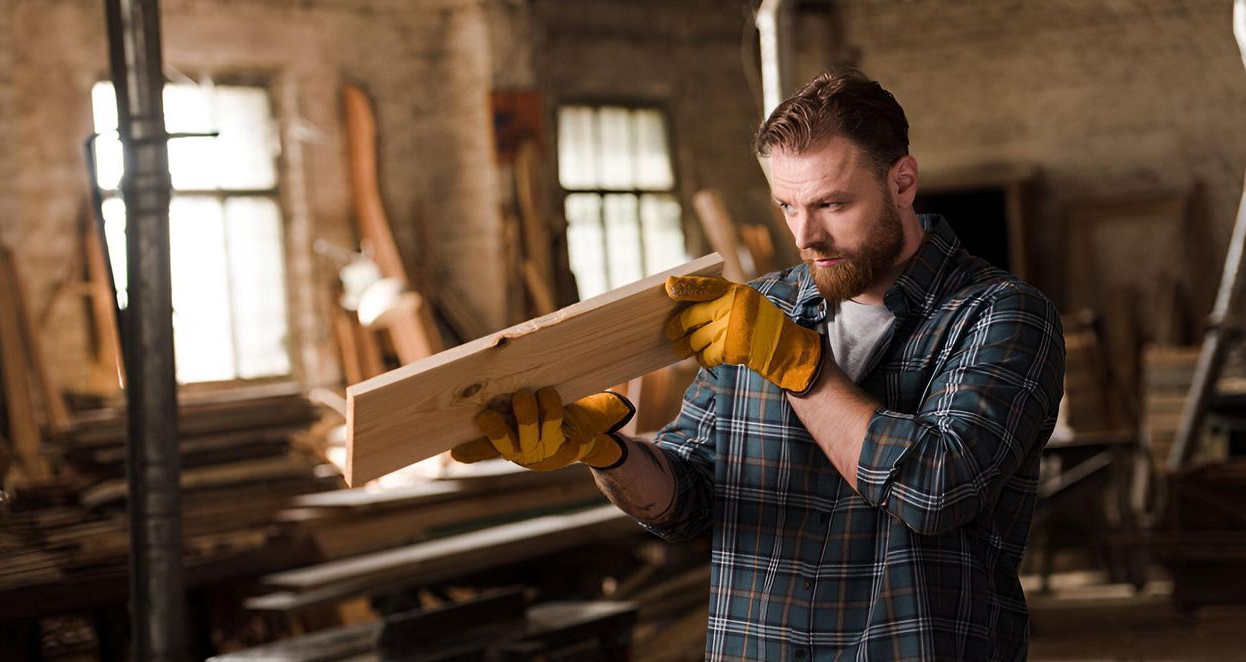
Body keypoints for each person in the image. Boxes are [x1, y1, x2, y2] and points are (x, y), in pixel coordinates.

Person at [453, 69, 1065, 661]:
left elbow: (936, 491)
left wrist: (801, 369)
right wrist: (605, 452)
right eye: (787, 206)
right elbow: (687, 499)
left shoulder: (1001, 315)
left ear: (902, 182)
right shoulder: (761, 310)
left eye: (831, 204)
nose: (806, 236)